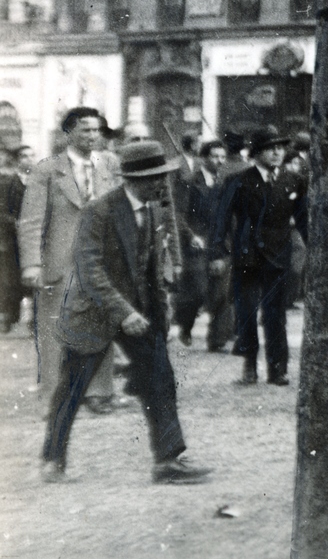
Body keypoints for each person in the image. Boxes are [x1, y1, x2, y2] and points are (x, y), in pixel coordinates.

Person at [41, 140, 211, 484]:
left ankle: (168, 461)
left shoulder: (154, 211)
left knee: (160, 378)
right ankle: (53, 458)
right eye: (154, 178)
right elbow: (90, 271)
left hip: (138, 313)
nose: (162, 184)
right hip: (93, 312)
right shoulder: (99, 210)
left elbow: (151, 273)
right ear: (134, 180)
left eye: (163, 177)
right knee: (73, 387)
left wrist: (161, 324)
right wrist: (123, 312)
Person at [20, 107, 121, 412]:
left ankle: (100, 392)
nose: (93, 136)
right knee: (54, 329)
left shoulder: (108, 166)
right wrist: (31, 263)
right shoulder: (47, 170)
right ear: (69, 133)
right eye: (85, 130)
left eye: (96, 130)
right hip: (59, 261)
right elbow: (31, 220)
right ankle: (55, 395)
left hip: (99, 261)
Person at [211, 125, 308, 386]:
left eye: (280, 148)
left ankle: (278, 369)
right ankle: (249, 365)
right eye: (270, 148)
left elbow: (304, 220)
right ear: (256, 153)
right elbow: (220, 220)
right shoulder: (239, 181)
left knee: (276, 314)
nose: (277, 153)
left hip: (278, 256)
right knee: (246, 312)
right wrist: (218, 252)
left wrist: (314, 250)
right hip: (247, 256)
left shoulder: (293, 181)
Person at [173, 139, 230, 348]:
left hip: (219, 242)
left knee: (221, 293)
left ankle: (217, 340)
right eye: (215, 156)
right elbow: (178, 215)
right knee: (197, 290)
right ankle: (185, 326)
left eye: (222, 157)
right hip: (195, 245)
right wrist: (190, 236)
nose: (219, 161)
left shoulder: (225, 183)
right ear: (204, 158)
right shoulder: (189, 181)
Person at [0, 147, 25, 334]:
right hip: (7, 233)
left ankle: (10, 315)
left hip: (12, 235)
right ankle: (7, 316)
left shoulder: (13, 180)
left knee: (11, 277)